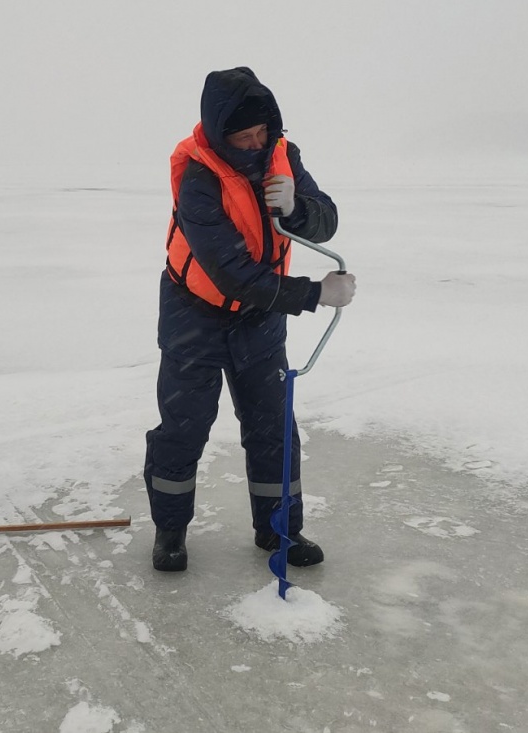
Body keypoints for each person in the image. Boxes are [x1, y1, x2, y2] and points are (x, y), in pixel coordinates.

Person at [144, 67, 356, 572]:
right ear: (220, 134)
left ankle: (280, 529)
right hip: (194, 312)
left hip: (260, 319)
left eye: (263, 132)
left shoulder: (283, 154)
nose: (257, 143)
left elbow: (326, 215)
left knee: (273, 429)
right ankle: (170, 532)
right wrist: (315, 293)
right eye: (245, 135)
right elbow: (232, 273)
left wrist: (299, 208)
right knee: (184, 428)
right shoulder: (198, 178)